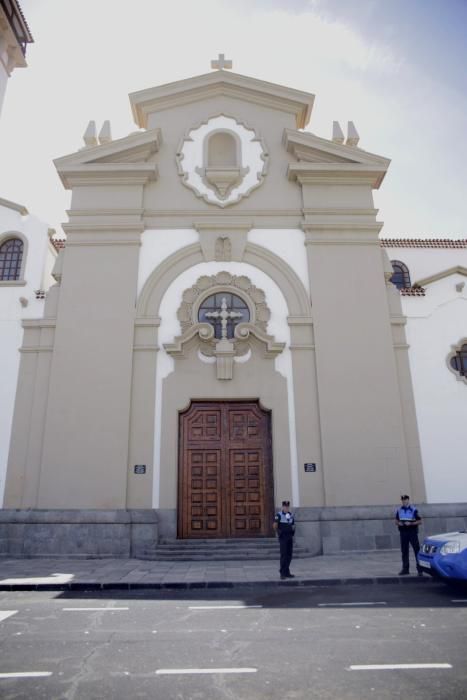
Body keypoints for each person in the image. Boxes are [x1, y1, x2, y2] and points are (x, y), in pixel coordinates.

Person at [395, 494, 423, 576]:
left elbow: (420, 521)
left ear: (408, 500)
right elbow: (396, 521)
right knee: (404, 551)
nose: (404, 501)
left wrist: (411, 523)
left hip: (412, 532)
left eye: (405, 499)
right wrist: (399, 523)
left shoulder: (413, 509)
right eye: (402, 500)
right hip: (403, 532)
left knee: (416, 550)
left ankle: (420, 569)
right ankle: (405, 569)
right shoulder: (399, 510)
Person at [273, 500, 295, 580]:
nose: (286, 508)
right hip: (283, 537)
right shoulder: (279, 515)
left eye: (287, 507)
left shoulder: (290, 515)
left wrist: (293, 532)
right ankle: (282, 573)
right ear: (283, 507)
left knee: (289, 555)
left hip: (289, 537)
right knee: (284, 555)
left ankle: (287, 571)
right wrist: (279, 533)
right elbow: (275, 525)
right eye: (285, 507)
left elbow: (293, 525)